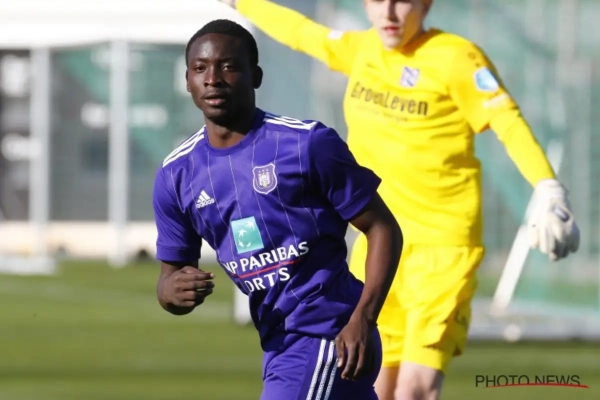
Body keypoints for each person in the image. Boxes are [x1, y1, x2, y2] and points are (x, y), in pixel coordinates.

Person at [215, 1, 581, 399]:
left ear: (425, 4)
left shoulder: (456, 57)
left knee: (413, 390)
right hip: (378, 246)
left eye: (402, 1)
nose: (389, 12)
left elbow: (506, 120)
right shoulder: (360, 50)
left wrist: (548, 187)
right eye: (378, 0)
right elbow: (301, 32)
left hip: (443, 250)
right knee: (371, 384)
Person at [152, 19, 403, 400]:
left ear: (255, 76)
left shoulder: (307, 144)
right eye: (200, 68)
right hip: (278, 344)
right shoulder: (176, 175)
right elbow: (169, 278)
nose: (213, 79)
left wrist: (364, 318)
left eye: (228, 67)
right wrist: (171, 292)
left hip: (328, 335)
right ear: (187, 80)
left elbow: (383, 228)